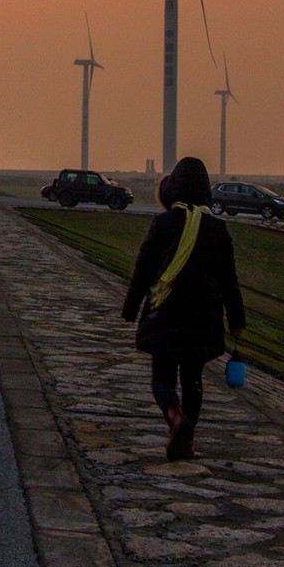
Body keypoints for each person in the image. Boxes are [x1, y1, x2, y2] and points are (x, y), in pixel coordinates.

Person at [120, 156, 245, 460]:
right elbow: (229, 280)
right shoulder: (217, 228)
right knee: (193, 379)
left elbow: (143, 269)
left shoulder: (163, 223)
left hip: (166, 313)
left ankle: (175, 418)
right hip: (205, 319)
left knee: (162, 379)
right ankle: (187, 442)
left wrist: (131, 307)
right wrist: (237, 320)